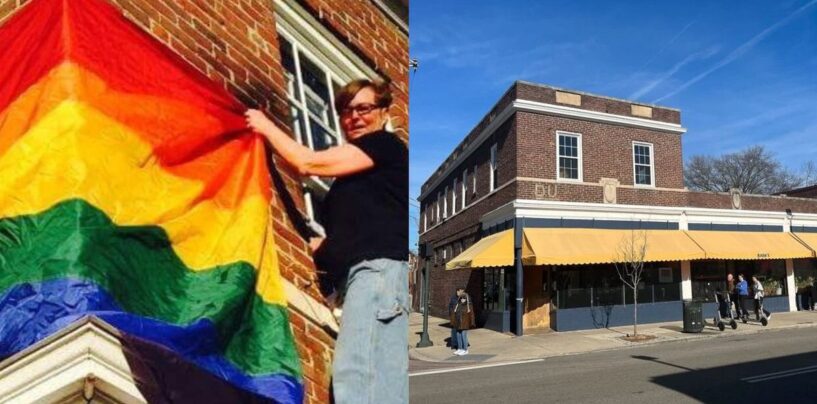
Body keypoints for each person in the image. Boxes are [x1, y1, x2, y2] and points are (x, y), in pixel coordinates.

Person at [245, 79, 408, 404]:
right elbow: (356, 230)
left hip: (377, 274)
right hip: (369, 278)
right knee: (381, 382)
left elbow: (307, 163)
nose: (355, 117)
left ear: (383, 112)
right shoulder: (356, 187)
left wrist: (263, 126)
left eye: (364, 108)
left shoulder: (384, 145)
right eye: (346, 111)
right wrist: (321, 247)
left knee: (359, 376)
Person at [451, 288, 475, 356]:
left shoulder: (468, 305)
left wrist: (472, 322)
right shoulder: (458, 305)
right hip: (458, 323)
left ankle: (465, 349)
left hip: (465, 323)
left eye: (464, 298)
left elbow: (472, 314)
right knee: (458, 335)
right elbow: (454, 313)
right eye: (461, 298)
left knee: (463, 336)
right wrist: (453, 322)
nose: (462, 299)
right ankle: (460, 348)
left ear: (466, 299)